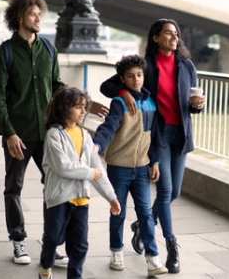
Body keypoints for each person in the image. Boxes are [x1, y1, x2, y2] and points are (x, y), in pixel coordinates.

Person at [0, 0, 108, 265]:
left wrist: (85, 103)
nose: (38, 19)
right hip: (17, 134)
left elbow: (56, 87)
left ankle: (51, 243)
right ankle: (18, 240)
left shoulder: (49, 50)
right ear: (19, 17)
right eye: (33, 14)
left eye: (40, 14)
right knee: (13, 188)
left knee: (55, 187)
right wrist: (9, 133)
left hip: (48, 133)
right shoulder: (3, 53)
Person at [100, 19, 205, 274]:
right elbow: (108, 85)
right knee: (166, 192)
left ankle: (141, 226)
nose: (174, 38)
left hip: (181, 135)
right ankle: (170, 248)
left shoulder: (187, 65)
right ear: (156, 37)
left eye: (176, 34)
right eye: (168, 34)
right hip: (158, 136)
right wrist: (124, 93)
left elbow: (191, 101)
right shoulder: (147, 65)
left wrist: (198, 105)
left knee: (175, 191)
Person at [94, 55, 168, 277]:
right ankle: (117, 251)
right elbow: (109, 126)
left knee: (145, 213)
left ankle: (153, 259)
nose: (136, 80)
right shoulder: (119, 102)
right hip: (119, 167)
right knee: (118, 211)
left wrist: (154, 160)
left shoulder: (151, 102)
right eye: (130, 76)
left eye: (139, 75)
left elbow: (154, 136)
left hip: (143, 168)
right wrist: (97, 145)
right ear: (122, 80)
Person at [39, 87, 121, 279]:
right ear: (64, 108)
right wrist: (90, 173)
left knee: (80, 244)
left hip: (81, 200)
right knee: (52, 238)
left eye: (84, 107)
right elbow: (63, 167)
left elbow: (98, 170)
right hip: (59, 198)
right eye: (78, 107)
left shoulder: (85, 136)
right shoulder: (54, 135)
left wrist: (111, 197)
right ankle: (45, 267)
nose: (83, 111)